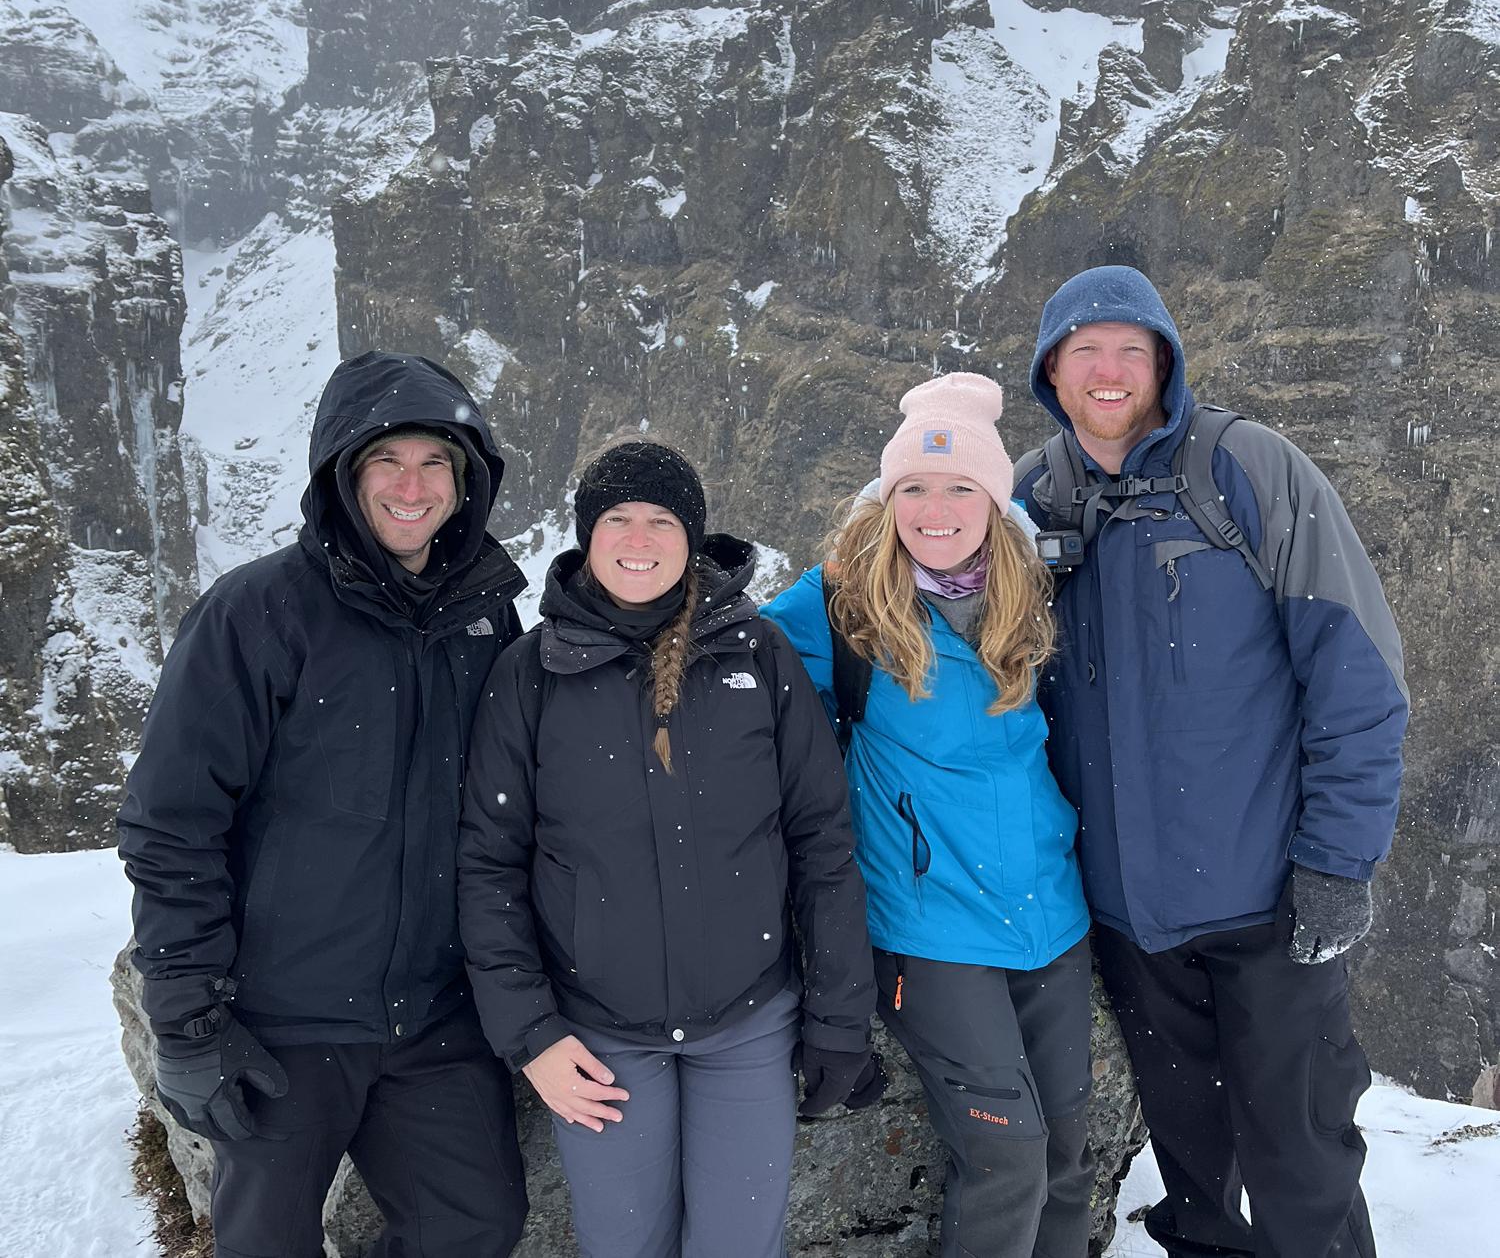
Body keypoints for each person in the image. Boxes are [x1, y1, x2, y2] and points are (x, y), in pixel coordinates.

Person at [1015, 265, 1407, 1258]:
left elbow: (1359, 680)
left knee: (1303, 1174)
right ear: (1051, 369)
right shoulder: (1027, 499)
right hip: (1127, 927)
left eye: (1130, 351)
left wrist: (1337, 864)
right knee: (1195, 1187)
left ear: (1164, 364)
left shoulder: (1249, 470)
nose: (1108, 372)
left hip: (1268, 906)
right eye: (1084, 351)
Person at [118, 351, 530, 1258]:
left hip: (432, 1019)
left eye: (436, 463)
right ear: (342, 476)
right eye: (386, 462)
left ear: (467, 485)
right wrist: (188, 1023)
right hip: (282, 1021)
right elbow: (171, 821)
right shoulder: (258, 613)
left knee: (474, 1227)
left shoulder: (484, 619)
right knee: (265, 1243)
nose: (411, 486)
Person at [457, 439, 879, 1258]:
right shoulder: (531, 676)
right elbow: (488, 867)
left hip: (749, 1026)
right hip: (597, 1039)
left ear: (693, 538)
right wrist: (531, 1036)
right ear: (587, 535)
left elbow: (821, 841)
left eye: (661, 520)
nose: (639, 539)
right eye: (618, 519)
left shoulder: (756, 657)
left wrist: (839, 1019)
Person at [764, 373, 1096, 1258]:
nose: (936, 509)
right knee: (1007, 1154)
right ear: (887, 498)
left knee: (1066, 1157)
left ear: (993, 500)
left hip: (1051, 918)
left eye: (960, 488)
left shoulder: (1033, 593)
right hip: (929, 928)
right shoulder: (841, 606)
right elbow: (737, 667)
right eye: (914, 487)